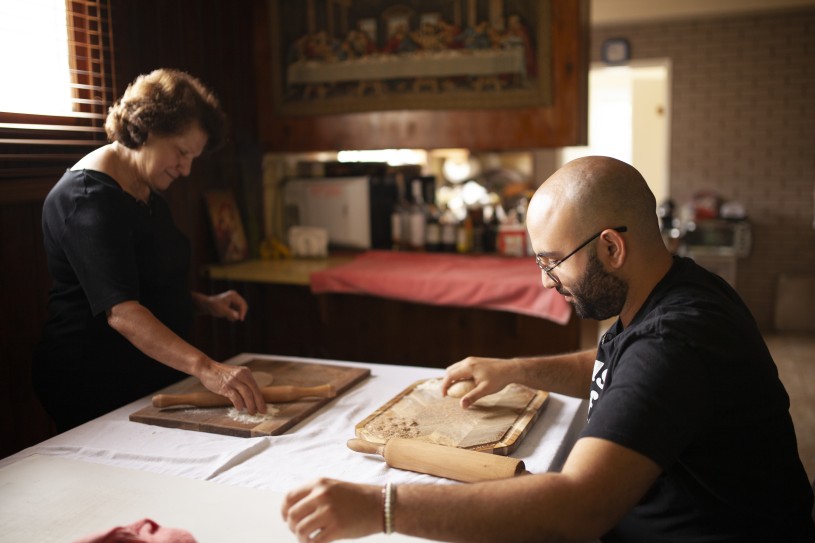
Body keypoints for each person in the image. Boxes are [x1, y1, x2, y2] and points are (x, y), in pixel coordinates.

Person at [281, 156, 815, 542]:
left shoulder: (677, 341)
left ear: (611, 246)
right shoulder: (674, 290)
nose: (545, 282)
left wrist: (382, 509)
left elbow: (578, 507)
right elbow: (620, 367)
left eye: (553, 262)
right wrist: (515, 370)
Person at [34, 68, 266, 432]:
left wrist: (203, 303)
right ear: (147, 128)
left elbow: (141, 281)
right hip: (93, 380)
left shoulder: (144, 189)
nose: (186, 169)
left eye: (193, 158)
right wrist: (208, 368)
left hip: (145, 375)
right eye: (181, 152)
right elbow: (123, 312)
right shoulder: (86, 200)